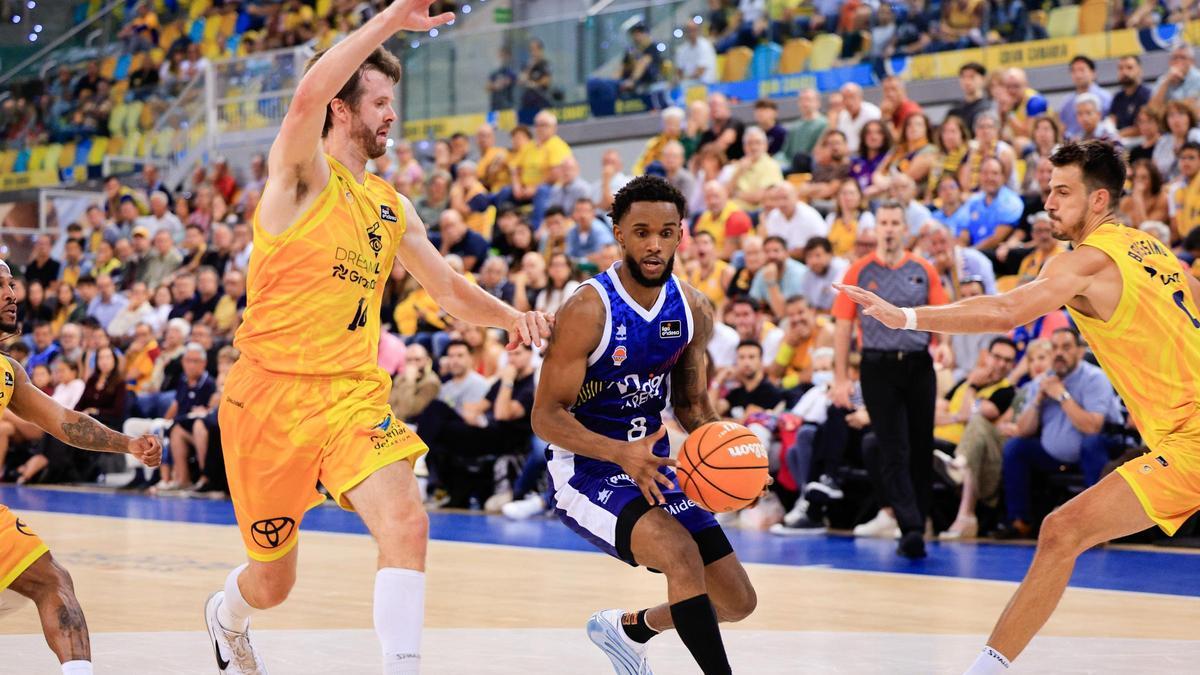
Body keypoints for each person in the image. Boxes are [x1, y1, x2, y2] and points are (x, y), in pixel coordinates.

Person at [203, 5, 552, 674]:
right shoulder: (300, 176)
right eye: (380, 101)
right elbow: (306, 94)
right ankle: (228, 613)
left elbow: (447, 289)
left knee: (408, 522)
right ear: (341, 109)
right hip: (267, 400)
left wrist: (513, 319)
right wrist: (391, 18)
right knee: (272, 583)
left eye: (394, 101)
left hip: (351, 398)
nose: (393, 115)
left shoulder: (392, 207)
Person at [832, 140, 1200, 675]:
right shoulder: (1152, 250)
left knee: (1062, 531)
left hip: (1191, 439)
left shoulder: (1085, 262)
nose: (1048, 202)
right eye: (1049, 190)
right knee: (1063, 531)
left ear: (1099, 200)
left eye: (1063, 191)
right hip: (1181, 436)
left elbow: (1006, 310)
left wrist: (907, 317)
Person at [532, 176, 759, 675]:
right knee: (681, 555)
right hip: (587, 470)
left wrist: (738, 459)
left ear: (681, 235)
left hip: (652, 466)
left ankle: (630, 630)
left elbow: (692, 405)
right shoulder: (588, 309)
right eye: (641, 232)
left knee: (737, 601)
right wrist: (620, 453)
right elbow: (545, 416)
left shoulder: (693, 308)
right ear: (619, 234)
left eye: (665, 232)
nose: (654, 244)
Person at [0, 260, 162, 675]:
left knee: (53, 580)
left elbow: (64, 421)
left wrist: (128, 444)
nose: (11, 294)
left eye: (12, 284)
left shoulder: (8, 372)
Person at [831, 201, 948, 559]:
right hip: (877, 367)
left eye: (896, 222)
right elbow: (843, 326)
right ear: (876, 228)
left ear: (905, 229)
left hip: (918, 364)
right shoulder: (859, 270)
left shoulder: (923, 269)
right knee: (892, 446)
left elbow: (940, 314)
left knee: (921, 446)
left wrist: (944, 346)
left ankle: (918, 520)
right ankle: (910, 527)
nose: (890, 228)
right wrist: (840, 377)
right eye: (884, 222)